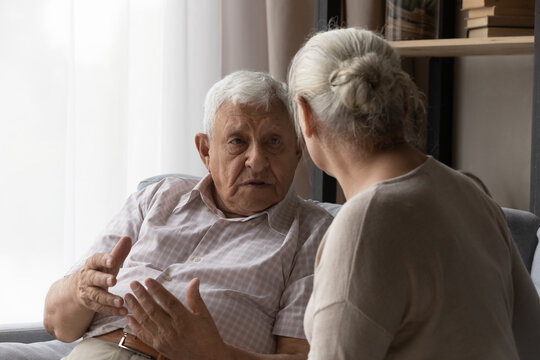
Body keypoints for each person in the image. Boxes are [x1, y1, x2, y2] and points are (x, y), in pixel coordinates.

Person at [287, 27, 540, 360]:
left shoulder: (363, 225)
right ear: (405, 103)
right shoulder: (471, 191)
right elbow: (531, 339)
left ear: (305, 116)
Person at [43, 70, 333, 360]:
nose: (256, 161)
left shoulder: (314, 233)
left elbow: (301, 356)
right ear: (205, 151)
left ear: (297, 150)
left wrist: (215, 354)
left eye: (273, 142)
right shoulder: (157, 198)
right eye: (237, 141)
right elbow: (58, 324)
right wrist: (80, 289)